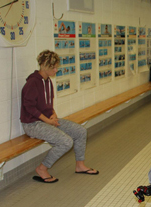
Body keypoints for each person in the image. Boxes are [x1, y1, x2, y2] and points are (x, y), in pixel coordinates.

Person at [20, 50, 99, 183]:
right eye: (54, 67)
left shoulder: (47, 81)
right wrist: (48, 121)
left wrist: (53, 116)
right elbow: (29, 107)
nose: (56, 70)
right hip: (33, 124)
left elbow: (49, 104)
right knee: (66, 142)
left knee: (80, 131)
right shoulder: (32, 83)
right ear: (45, 66)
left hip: (47, 120)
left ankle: (80, 165)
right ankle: (42, 168)